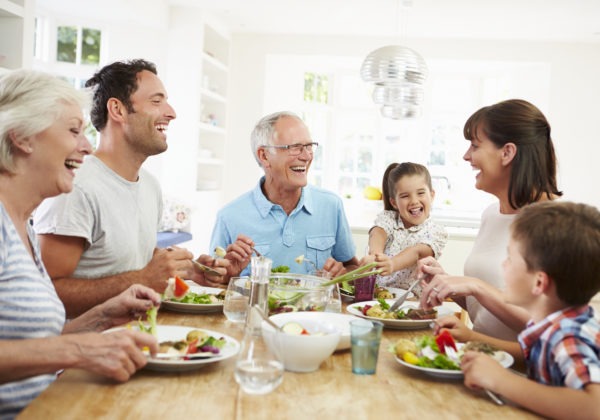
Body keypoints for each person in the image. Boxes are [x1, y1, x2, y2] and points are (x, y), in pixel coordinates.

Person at [0, 69, 160, 419]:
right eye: (74, 131)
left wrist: (102, 317)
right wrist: (77, 350)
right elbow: (56, 352)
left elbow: (31, 343)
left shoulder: (22, 225)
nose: (87, 147)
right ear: (23, 137)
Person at [33, 59, 225, 318]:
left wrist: (189, 271)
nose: (171, 112)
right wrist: (144, 277)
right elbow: (47, 293)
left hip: (138, 339)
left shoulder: (150, 186)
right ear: (118, 110)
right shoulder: (75, 187)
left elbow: (130, 265)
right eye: (156, 101)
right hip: (88, 349)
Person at [418, 99, 562, 341]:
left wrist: (475, 286)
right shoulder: (491, 214)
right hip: (479, 363)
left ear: (507, 152)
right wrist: (449, 284)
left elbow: (548, 331)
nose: (466, 156)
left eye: (475, 146)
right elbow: (486, 312)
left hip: (516, 374)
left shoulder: (555, 225)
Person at [460, 201, 600, 418]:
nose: (504, 265)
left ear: (538, 283)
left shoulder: (568, 336)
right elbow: (532, 356)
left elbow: (594, 408)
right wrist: (473, 341)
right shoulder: (552, 324)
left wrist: (502, 381)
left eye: (510, 258)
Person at [209, 111, 359, 280]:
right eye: (295, 147)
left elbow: (353, 267)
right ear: (264, 156)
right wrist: (227, 277)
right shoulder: (229, 217)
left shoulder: (331, 205)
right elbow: (213, 285)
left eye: (309, 146)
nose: (307, 156)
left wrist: (343, 274)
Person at [359, 162, 447, 296]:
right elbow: (378, 233)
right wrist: (374, 256)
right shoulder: (389, 218)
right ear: (394, 202)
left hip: (412, 303)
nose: (414, 201)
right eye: (405, 196)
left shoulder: (436, 231)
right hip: (376, 298)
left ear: (432, 195)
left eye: (421, 193)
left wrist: (392, 264)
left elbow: (417, 251)